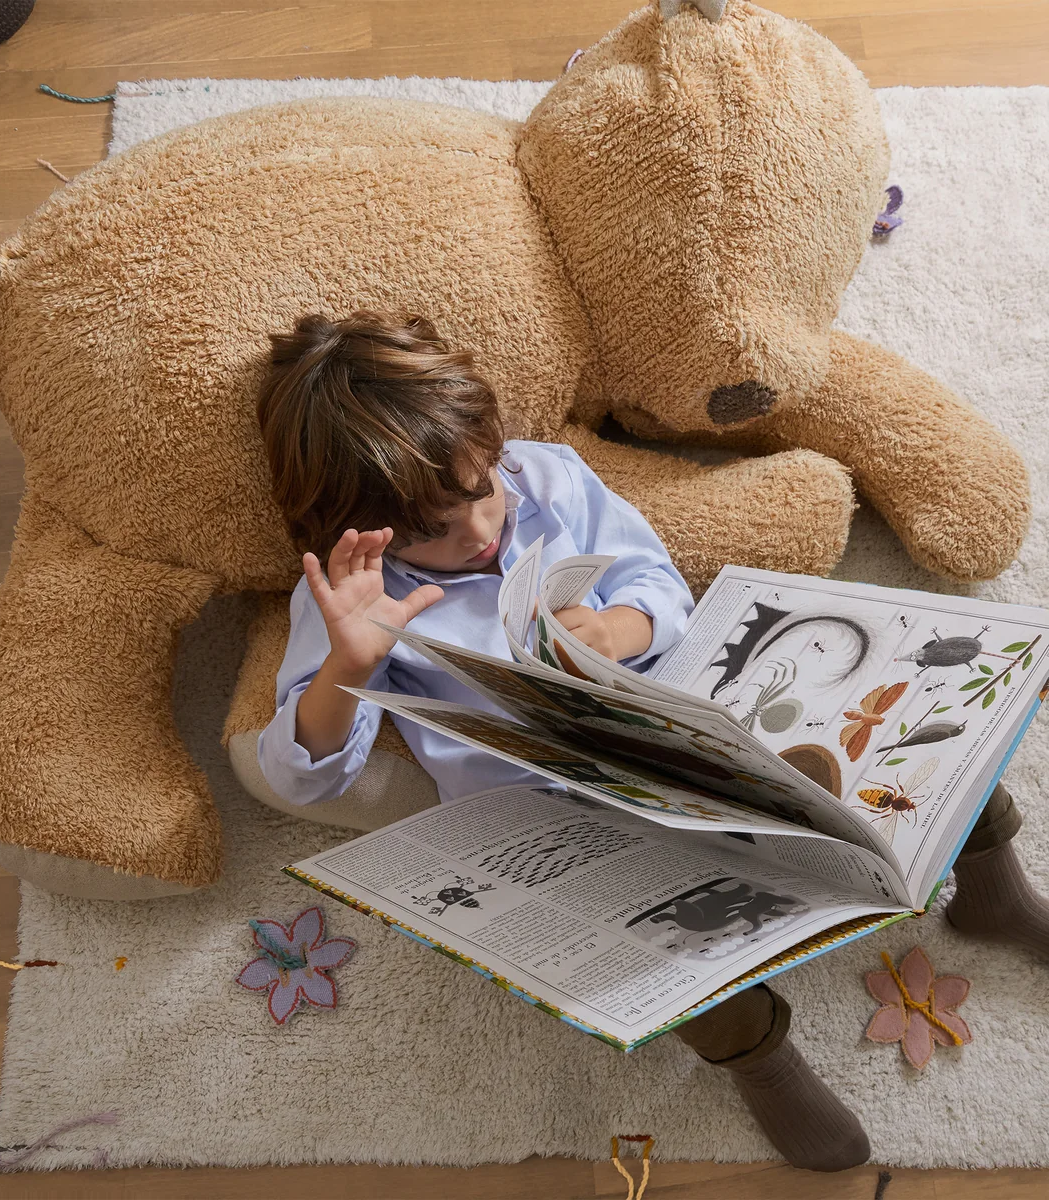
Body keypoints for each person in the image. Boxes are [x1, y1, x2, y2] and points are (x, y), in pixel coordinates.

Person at [254, 310, 1049, 1173]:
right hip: (565, 817)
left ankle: (994, 890)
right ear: (353, 531)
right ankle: (763, 1060)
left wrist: (615, 629)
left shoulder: (546, 477)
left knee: (911, 749)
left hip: (696, 730)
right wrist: (350, 662)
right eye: (430, 531)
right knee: (662, 950)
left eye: (481, 489)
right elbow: (300, 778)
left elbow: (655, 579)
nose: (479, 532)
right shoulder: (349, 600)